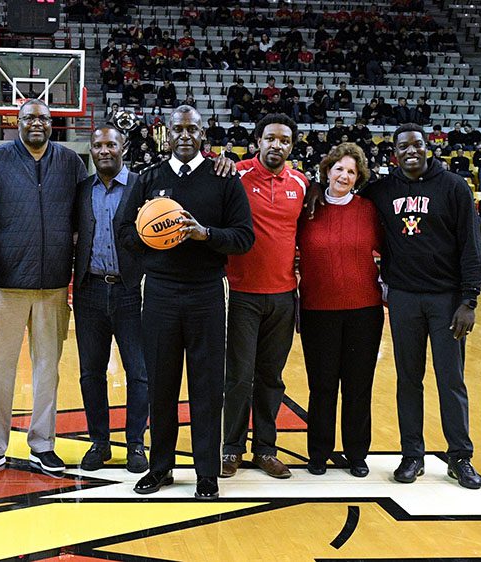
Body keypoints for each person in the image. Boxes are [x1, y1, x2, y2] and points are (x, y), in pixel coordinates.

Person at [117, 105, 254, 499]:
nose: (184, 135)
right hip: (159, 291)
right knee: (161, 382)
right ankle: (160, 468)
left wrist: (205, 234)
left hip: (208, 291)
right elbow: (125, 230)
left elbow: (244, 238)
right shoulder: (148, 179)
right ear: (166, 133)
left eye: (192, 129)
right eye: (177, 129)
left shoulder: (224, 179)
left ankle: (206, 473)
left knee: (207, 386)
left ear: (202, 134)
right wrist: (153, 250)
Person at [361, 124, 481, 489]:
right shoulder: (382, 190)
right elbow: (348, 195)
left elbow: (470, 246)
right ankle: (412, 454)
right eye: (403, 146)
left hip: (447, 300)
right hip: (403, 298)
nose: (410, 151)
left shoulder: (454, 187)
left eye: (417, 145)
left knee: (451, 380)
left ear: (428, 148)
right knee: (408, 380)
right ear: (394, 153)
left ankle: (459, 457)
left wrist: (469, 300)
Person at [0, 99, 88, 476]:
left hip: (54, 285)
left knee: (47, 370)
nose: (36, 123)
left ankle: (43, 444)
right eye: (28, 118)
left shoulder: (71, 162)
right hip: (6, 285)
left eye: (43, 118)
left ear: (52, 123)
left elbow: (78, 220)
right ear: (15, 122)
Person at [222, 113, 308, 480]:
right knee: (239, 377)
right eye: (271, 138)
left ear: (292, 146)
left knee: (271, 377)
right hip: (242, 293)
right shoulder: (235, 174)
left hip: (284, 296)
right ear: (258, 140)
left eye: (285, 140)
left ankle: (266, 449)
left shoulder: (302, 184)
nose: (278, 145)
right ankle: (231, 448)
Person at [298, 143, 383, 478]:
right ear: (327, 172)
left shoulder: (369, 210)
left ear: (358, 176)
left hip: (365, 311)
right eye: (338, 169)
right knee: (322, 385)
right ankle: (318, 452)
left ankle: (356, 453)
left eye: (351, 171)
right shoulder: (308, 209)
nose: (344, 175)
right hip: (318, 310)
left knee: (358, 385)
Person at [73, 126, 149, 473]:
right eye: (98, 145)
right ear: (91, 150)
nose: (104, 150)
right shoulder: (81, 190)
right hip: (89, 290)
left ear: (123, 146)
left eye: (111, 144)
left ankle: (136, 444)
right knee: (90, 373)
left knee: (139, 372)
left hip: (130, 291)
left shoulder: (141, 186)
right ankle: (99, 442)